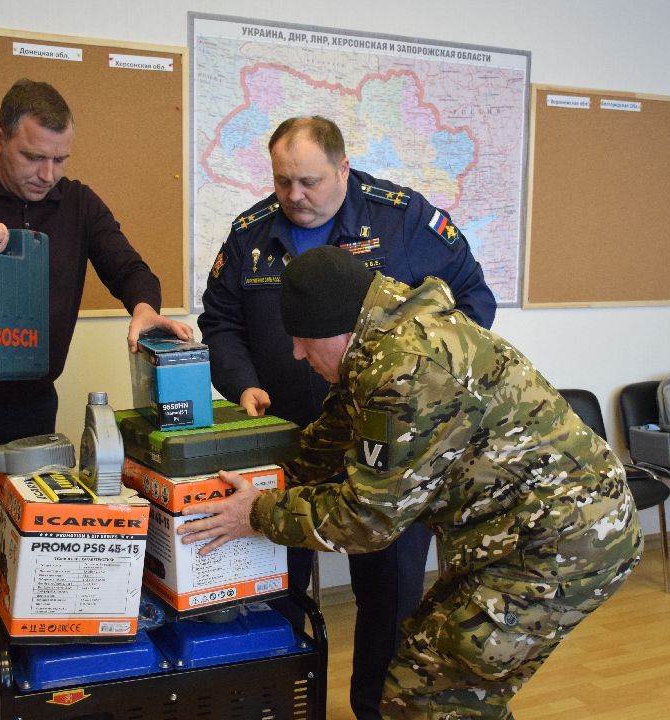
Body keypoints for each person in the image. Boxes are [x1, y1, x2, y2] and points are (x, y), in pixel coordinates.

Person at [181, 246, 642, 719]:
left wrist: (256, 514)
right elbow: (328, 440)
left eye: (302, 339)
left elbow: (367, 519)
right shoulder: (379, 342)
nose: (297, 353)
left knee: (432, 696)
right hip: (520, 536)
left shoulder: (407, 371)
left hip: (562, 545)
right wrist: (264, 482)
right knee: (430, 680)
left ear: (337, 327)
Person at [0, 78, 191, 720]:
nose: (47, 174)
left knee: (5, 583)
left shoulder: (78, 205)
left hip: (28, 419)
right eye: (32, 157)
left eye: (60, 160)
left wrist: (145, 307)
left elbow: (129, 267)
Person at [198, 116, 496, 719]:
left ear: (343, 170)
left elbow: (473, 303)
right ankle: (276, 705)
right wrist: (243, 384)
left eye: (308, 181)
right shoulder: (251, 233)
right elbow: (221, 322)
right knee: (274, 581)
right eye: (282, 181)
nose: (294, 196)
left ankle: (372, 710)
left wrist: (417, 390)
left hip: (391, 447)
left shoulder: (404, 219)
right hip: (290, 443)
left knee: (387, 596)